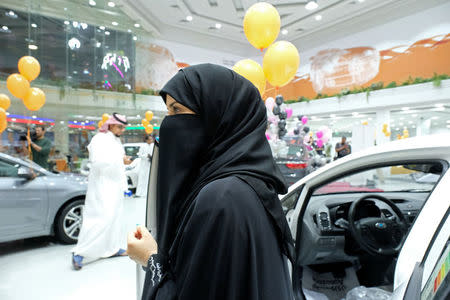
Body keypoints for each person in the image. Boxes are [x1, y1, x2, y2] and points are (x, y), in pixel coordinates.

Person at [127, 64, 294, 300]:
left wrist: (150, 259)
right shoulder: (248, 184)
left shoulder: (221, 198)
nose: (167, 124)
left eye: (176, 110)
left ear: (215, 117)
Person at [71, 113, 132, 270]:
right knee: (100, 219)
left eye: (123, 127)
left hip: (115, 186)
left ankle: (112, 249)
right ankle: (79, 252)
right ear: (110, 125)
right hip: (102, 186)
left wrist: (123, 165)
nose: (122, 130)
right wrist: (121, 160)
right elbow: (97, 162)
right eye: (120, 127)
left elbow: (118, 162)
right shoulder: (99, 139)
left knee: (115, 218)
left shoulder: (116, 140)